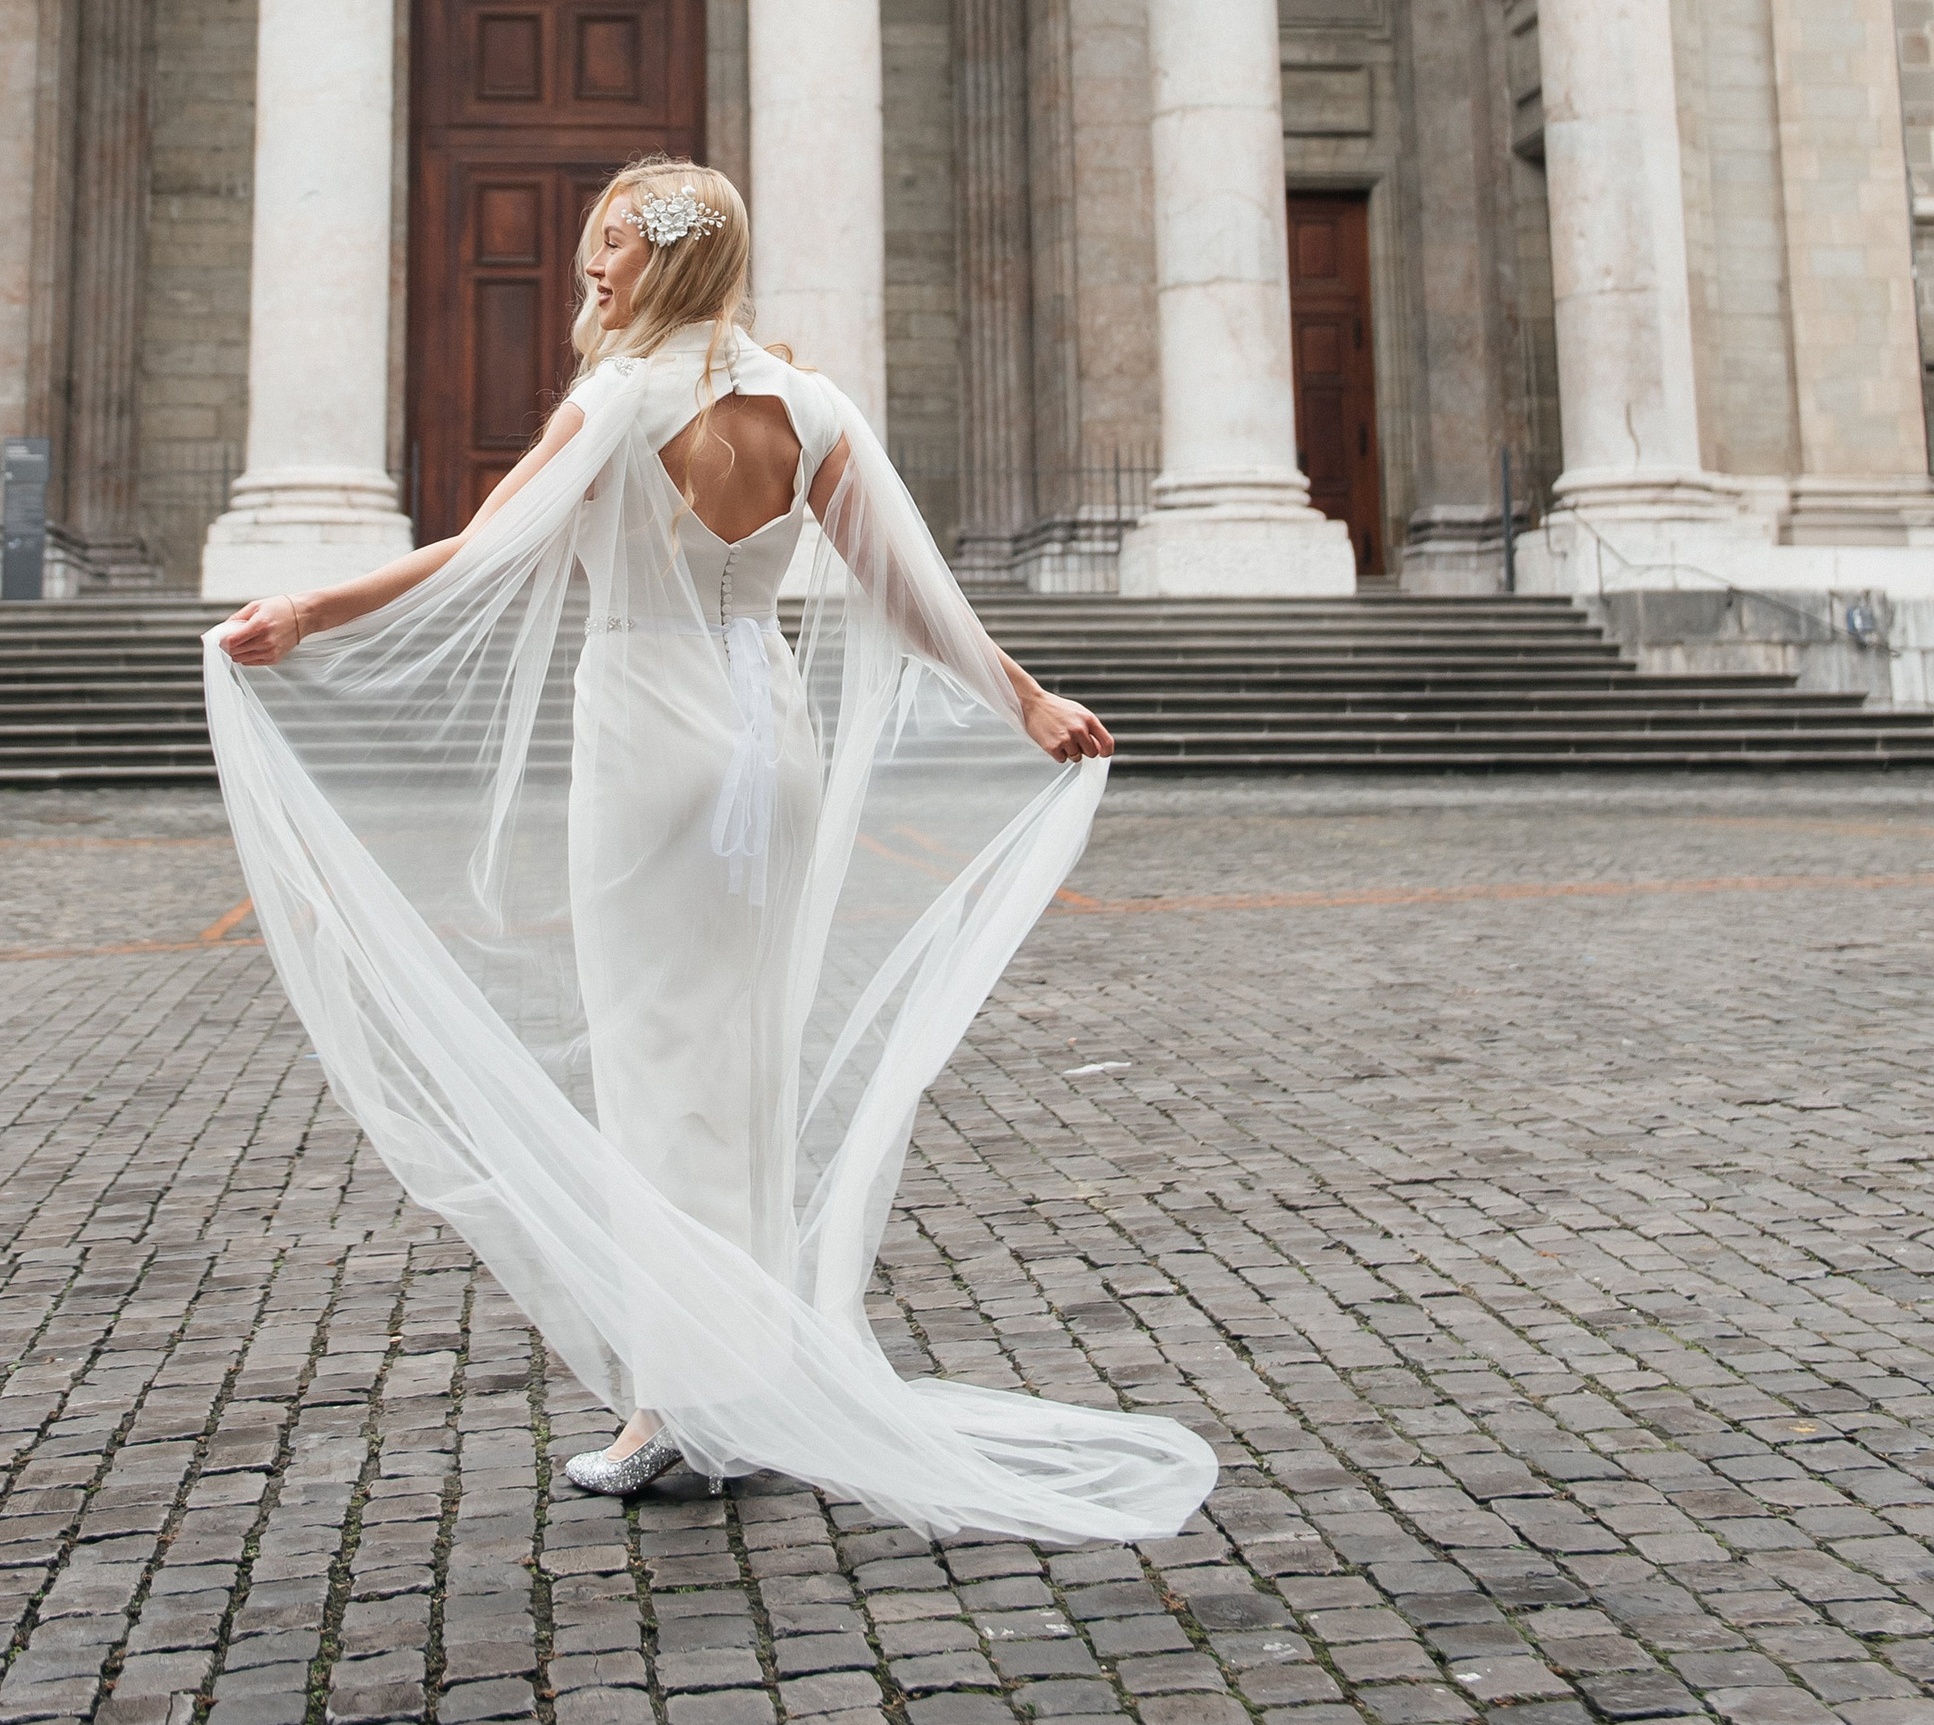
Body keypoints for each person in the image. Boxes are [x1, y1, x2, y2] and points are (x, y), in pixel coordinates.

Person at [208, 157, 1213, 1542]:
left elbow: (481, 551)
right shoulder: (811, 406)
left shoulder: (619, 401)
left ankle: (672, 1410)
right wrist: (1024, 695)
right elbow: (906, 589)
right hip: (768, 734)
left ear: (666, 261)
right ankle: (741, 1377)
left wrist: (313, 607)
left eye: (609, 251)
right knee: (740, 1063)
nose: (591, 274)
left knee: (655, 1065)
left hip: (649, 742)